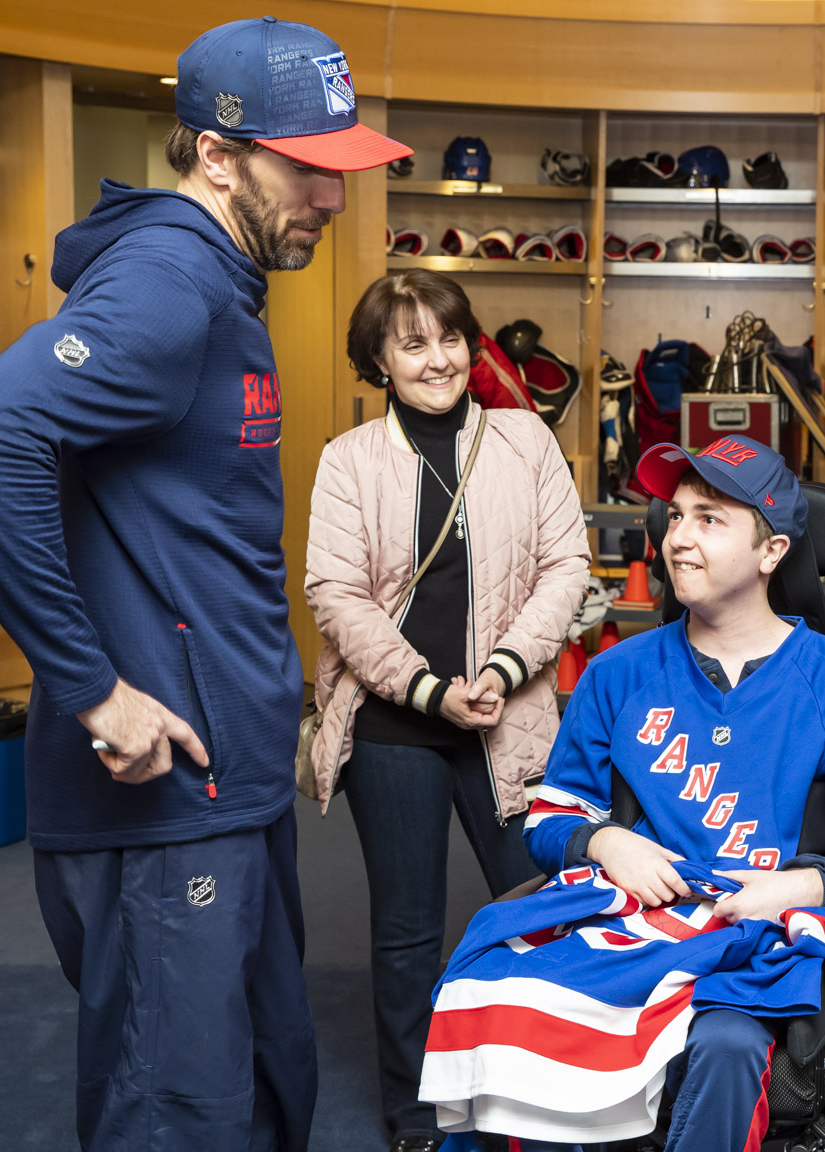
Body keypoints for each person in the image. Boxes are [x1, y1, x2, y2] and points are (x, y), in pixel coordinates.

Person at [0, 18, 410, 1150]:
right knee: (176, 1116)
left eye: (343, 167)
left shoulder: (217, 280)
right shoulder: (169, 281)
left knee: (264, 1082)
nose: (333, 202)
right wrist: (95, 689)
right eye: (309, 169)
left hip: (223, 785)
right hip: (162, 804)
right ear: (216, 154)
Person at [417, 436, 825, 1151]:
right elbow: (551, 820)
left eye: (709, 519)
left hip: (759, 939)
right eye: (677, 515)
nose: (678, 539)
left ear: (771, 551)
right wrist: (604, 840)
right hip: (631, 919)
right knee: (487, 989)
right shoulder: (616, 673)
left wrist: (794, 888)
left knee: (726, 1046)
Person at [303, 268, 590, 1152]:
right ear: (380, 361)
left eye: (452, 338)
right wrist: (430, 689)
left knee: (541, 904)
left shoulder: (524, 439)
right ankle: (414, 1113)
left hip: (510, 716)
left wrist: (503, 668)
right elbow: (337, 596)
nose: (439, 359)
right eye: (414, 343)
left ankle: (539, 1087)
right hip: (396, 724)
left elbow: (566, 568)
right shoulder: (348, 461)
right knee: (406, 932)